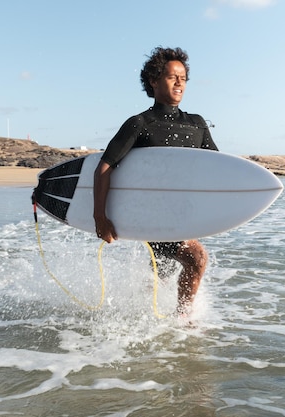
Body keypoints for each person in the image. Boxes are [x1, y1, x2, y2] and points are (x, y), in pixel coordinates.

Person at [93, 46, 219, 315]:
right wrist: (100, 217)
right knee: (196, 258)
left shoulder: (197, 124)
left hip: (183, 215)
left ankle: (145, 315)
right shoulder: (140, 124)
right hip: (149, 215)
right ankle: (184, 320)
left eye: (183, 78)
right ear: (153, 81)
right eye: (173, 77)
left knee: (162, 273)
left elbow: (216, 168)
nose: (179, 83)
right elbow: (105, 167)